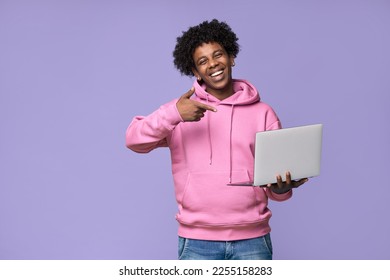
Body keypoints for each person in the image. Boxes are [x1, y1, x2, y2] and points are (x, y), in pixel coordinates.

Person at [125, 19, 308, 260]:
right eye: (203, 61)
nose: (213, 64)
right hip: (197, 242)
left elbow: (274, 186)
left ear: (231, 57)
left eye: (218, 55)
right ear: (195, 71)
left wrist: (282, 189)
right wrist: (175, 113)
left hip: (252, 240)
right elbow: (134, 139)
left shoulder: (263, 113)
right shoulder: (181, 111)